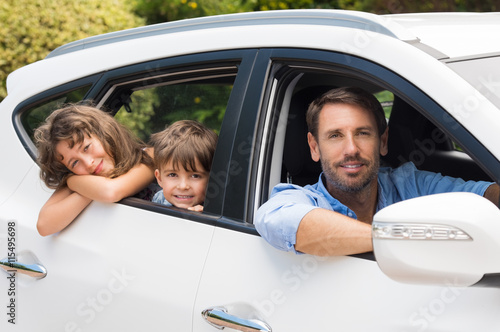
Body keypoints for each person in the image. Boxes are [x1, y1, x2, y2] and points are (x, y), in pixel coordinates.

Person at [255, 87, 500, 256]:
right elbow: (278, 219)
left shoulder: (408, 184)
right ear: (314, 147)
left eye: (363, 133)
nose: (351, 149)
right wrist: (407, 237)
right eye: (335, 136)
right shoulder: (300, 200)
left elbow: (483, 195)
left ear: (383, 141)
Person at [35, 105, 155, 236]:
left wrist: (72, 182)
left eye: (86, 147)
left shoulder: (148, 157)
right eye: (74, 163)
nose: (88, 163)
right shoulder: (82, 178)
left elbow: (110, 191)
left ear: (105, 133)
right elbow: (44, 225)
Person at [149, 120, 217, 212]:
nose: (183, 186)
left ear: (211, 179)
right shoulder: (159, 199)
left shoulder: (218, 208)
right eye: (172, 175)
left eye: (195, 176)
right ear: (159, 178)